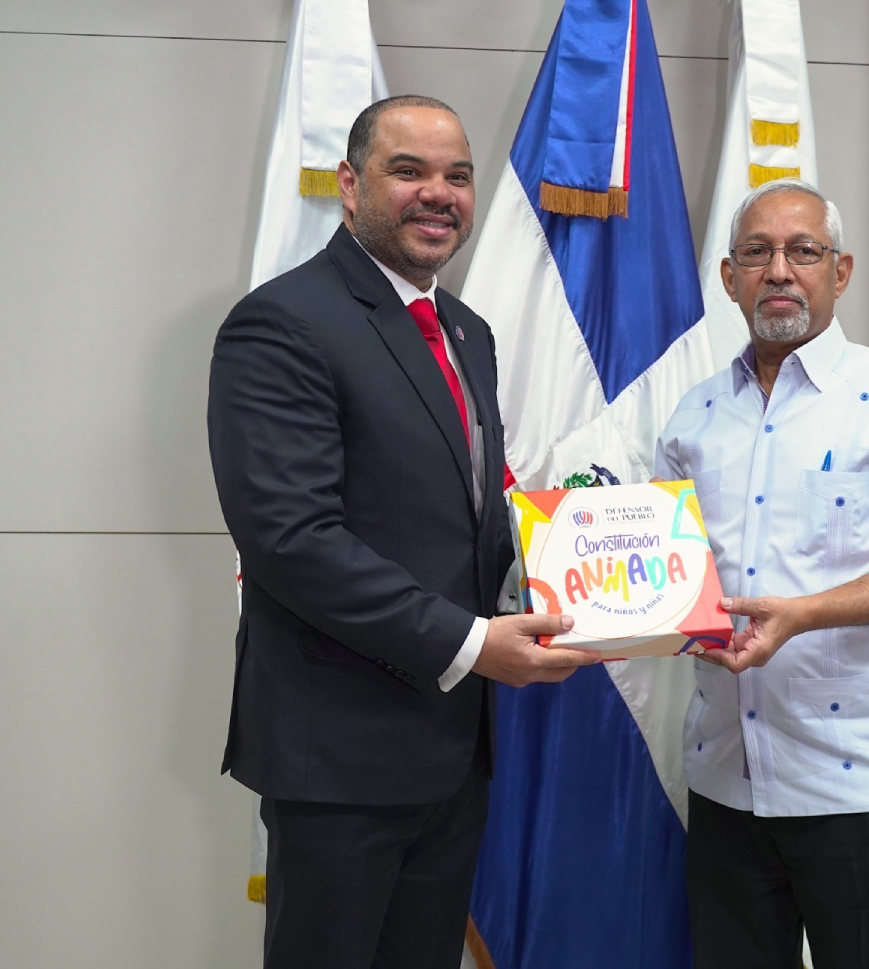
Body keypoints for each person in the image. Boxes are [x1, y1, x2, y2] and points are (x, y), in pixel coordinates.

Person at [207, 95, 598, 969]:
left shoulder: (467, 333)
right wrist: (471, 641)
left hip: (452, 755)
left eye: (457, 176)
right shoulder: (283, 323)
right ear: (349, 185)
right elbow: (291, 538)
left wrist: (602, 592)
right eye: (408, 170)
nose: (439, 193)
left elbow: (467, 520)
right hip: (339, 761)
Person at [655, 179, 869, 969]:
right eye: (756, 253)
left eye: (802, 251)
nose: (778, 270)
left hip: (863, 785)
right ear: (729, 279)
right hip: (727, 779)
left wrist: (801, 614)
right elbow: (667, 580)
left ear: (839, 272)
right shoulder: (692, 417)